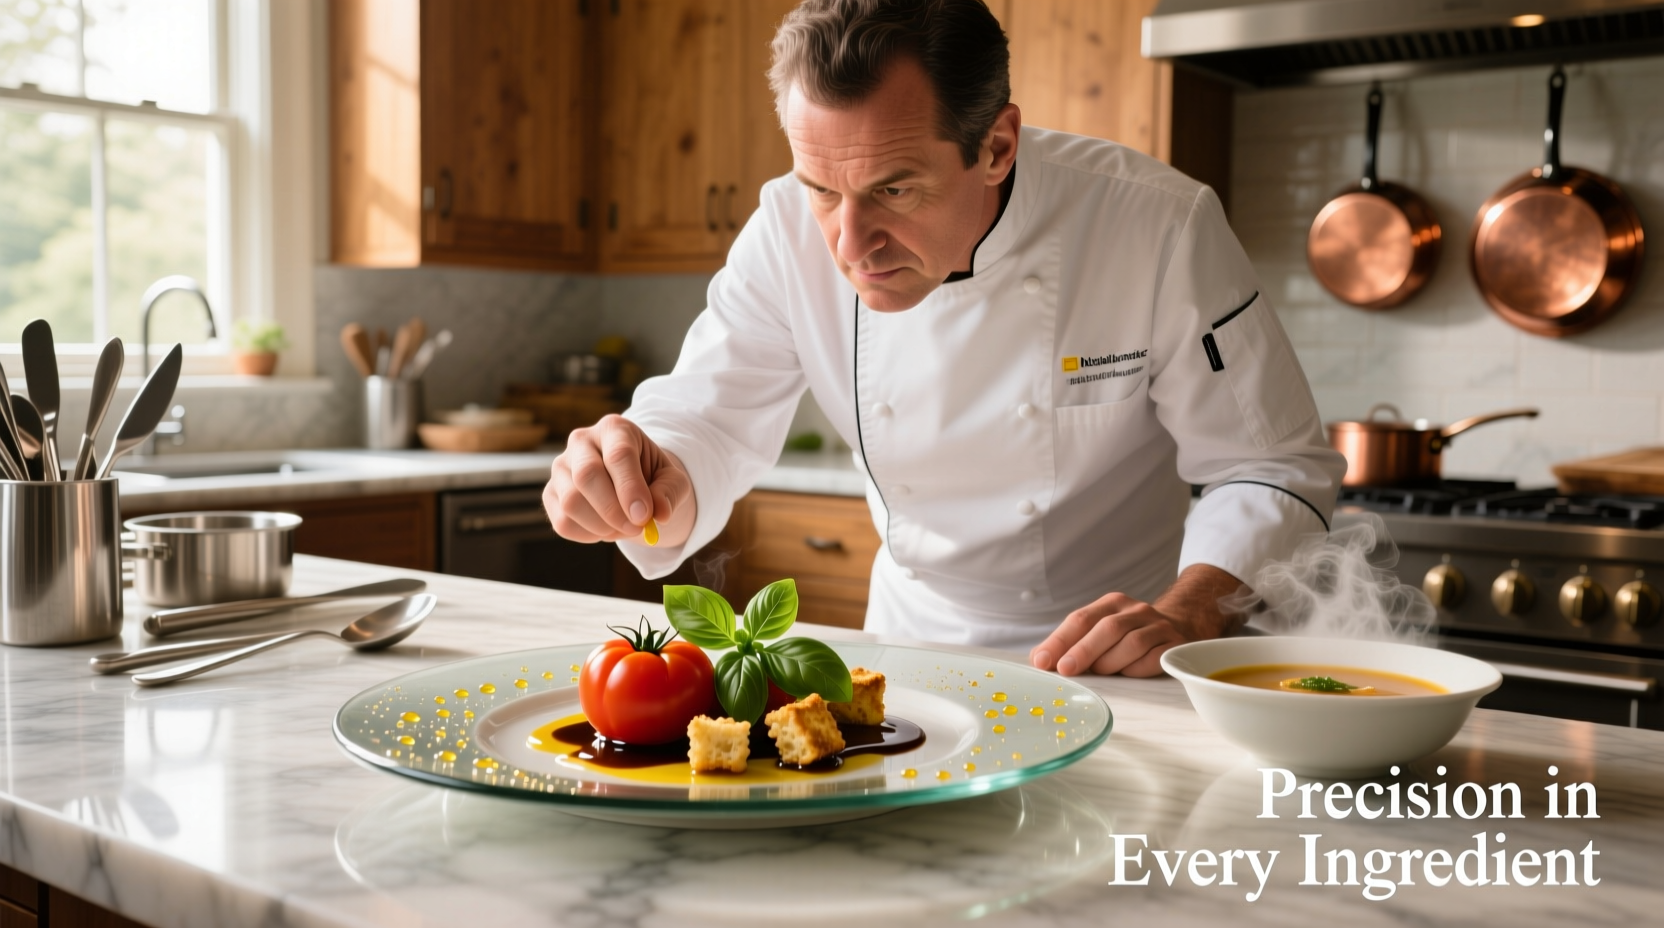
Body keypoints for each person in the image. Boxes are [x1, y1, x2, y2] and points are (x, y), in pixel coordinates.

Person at [544, 0, 1345, 677]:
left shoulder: (1156, 226)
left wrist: (1188, 611)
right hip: (910, 654)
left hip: (1115, 659)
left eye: (895, 189)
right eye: (822, 187)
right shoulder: (783, 232)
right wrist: (645, 473)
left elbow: (1270, 464)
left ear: (996, 147)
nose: (851, 245)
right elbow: (708, 419)